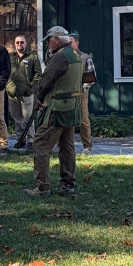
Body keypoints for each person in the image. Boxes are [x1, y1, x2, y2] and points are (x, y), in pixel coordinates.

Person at [28, 26, 83, 197]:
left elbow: (45, 80)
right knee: (67, 146)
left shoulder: (59, 57)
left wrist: (39, 96)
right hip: (72, 107)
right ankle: (68, 184)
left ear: (56, 39)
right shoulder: (75, 54)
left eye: (49, 40)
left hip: (56, 107)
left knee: (40, 144)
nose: (48, 44)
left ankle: (42, 187)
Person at [6, 34, 42, 148]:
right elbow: (5, 72)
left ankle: (31, 140)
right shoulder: (10, 57)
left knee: (28, 118)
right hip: (12, 93)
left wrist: (30, 86)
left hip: (27, 93)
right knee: (17, 119)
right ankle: (20, 139)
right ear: (14, 44)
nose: (19, 44)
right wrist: (7, 86)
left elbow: (38, 74)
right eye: (17, 42)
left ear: (26, 44)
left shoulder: (32, 57)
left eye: (22, 42)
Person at [70, 32, 96, 154]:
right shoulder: (62, 57)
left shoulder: (85, 58)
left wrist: (83, 88)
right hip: (66, 94)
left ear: (77, 43)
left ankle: (87, 146)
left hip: (81, 93)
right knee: (66, 120)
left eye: (71, 43)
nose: (69, 46)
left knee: (83, 120)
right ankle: (65, 146)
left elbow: (91, 77)